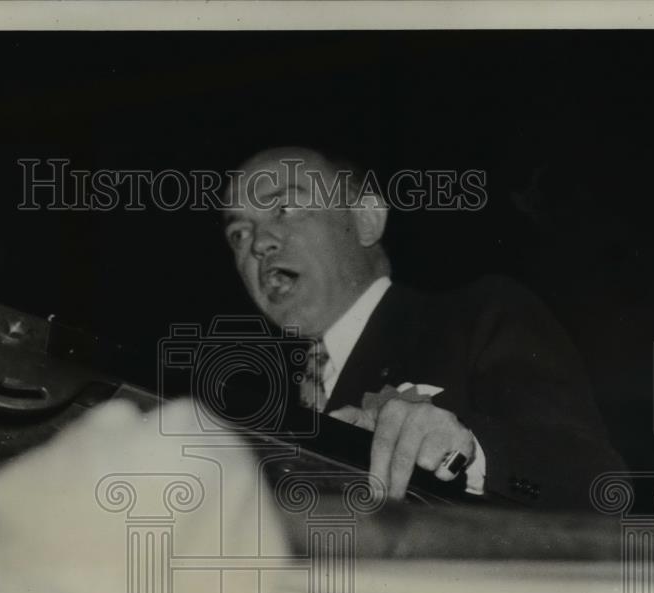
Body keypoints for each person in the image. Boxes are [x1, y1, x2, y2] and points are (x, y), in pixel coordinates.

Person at [221, 146, 625, 510]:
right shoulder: (251, 400)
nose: (259, 243)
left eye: (286, 209)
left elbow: (596, 482)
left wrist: (466, 451)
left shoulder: (476, 317)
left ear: (366, 219)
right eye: (239, 233)